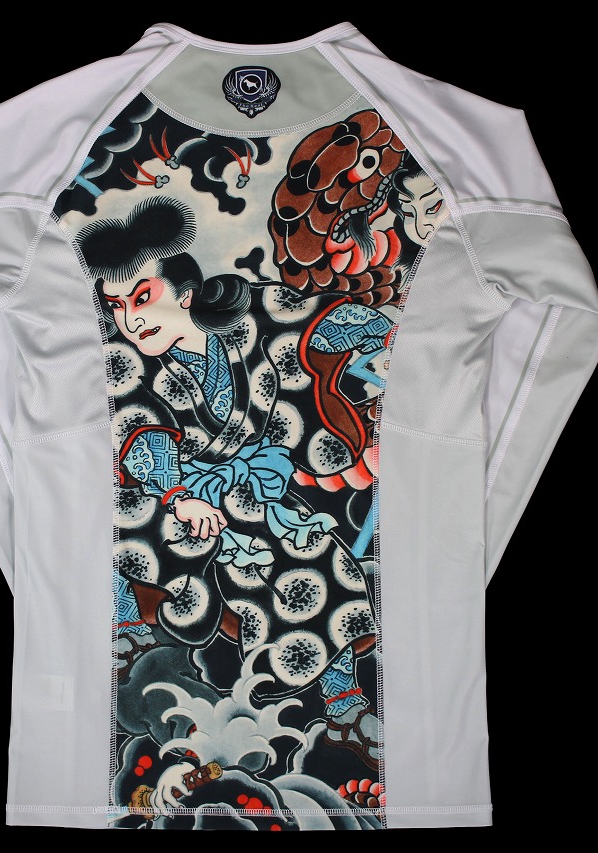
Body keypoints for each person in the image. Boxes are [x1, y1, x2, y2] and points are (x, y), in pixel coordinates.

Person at [78, 196, 394, 812]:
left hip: (254, 486)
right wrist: (178, 496)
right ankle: (136, 644)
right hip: (165, 495)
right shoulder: (123, 361)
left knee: (324, 562)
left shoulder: (244, 314)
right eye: (116, 306)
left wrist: (380, 335)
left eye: (142, 297)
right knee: (152, 544)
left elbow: (314, 319)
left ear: (182, 290)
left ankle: (340, 702)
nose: (131, 321)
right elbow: (139, 432)